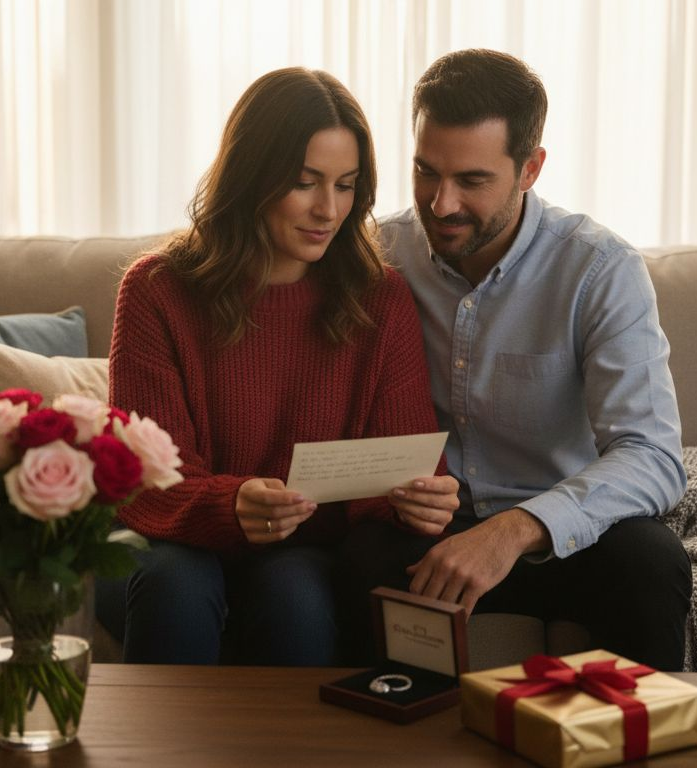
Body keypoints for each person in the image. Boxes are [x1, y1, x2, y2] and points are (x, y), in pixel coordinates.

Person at [338, 49, 691, 671]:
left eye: (472, 181)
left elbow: (652, 456)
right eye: (425, 172)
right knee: (356, 557)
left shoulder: (599, 269)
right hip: (429, 531)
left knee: (652, 562)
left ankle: (633, 729)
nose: (441, 203)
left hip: (562, 531)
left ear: (530, 169)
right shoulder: (378, 253)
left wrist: (512, 529)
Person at [96, 67, 460, 666]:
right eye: (304, 182)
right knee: (177, 584)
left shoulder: (380, 297)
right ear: (251, 174)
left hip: (302, 550)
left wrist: (420, 500)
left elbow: (397, 463)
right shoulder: (157, 290)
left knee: (295, 596)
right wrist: (230, 504)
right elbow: (146, 480)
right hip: (169, 541)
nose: (327, 209)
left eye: (346, 186)